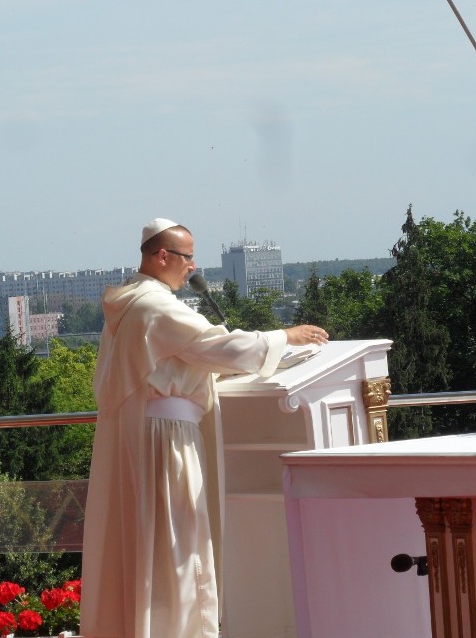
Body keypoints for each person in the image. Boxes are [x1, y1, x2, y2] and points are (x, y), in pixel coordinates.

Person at [80, 218, 328, 638]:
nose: (192, 267)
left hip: (150, 431)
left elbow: (178, 362)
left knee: (158, 544)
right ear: (162, 256)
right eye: (187, 257)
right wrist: (286, 336)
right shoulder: (153, 306)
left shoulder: (129, 304)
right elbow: (219, 346)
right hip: (166, 442)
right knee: (178, 544)